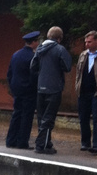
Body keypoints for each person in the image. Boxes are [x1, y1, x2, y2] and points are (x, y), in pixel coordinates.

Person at [30, 26, 72, 154]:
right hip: (54, 88)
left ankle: (46, 142)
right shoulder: (60, 49)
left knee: (41, 117)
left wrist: (42, 75)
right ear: (59, 38)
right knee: (49, 118)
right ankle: (41, 145)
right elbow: (67, 67)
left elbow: (33, 66)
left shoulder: (39, 49)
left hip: (41, 88)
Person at [5, 31, 40, 149]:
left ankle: (11, 140)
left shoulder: (16, 54)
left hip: (17, 89)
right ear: (34, 42)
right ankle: (22, 142)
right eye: (37, 41)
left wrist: (12, 86)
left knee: (16, 114)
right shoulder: (33, 57)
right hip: (29, 90)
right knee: (27, 116)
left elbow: (10, 73)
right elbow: (34, 75)